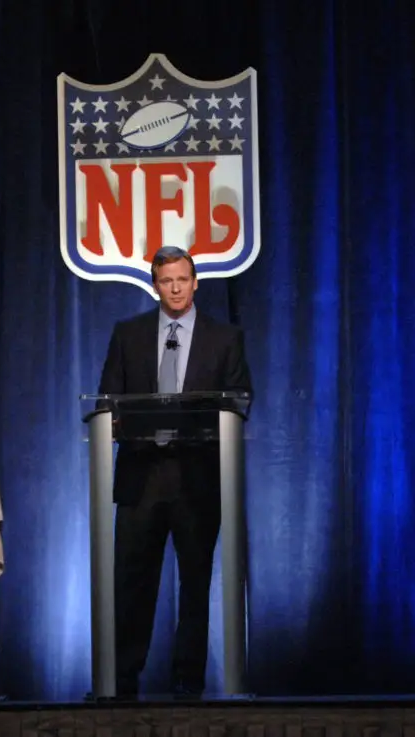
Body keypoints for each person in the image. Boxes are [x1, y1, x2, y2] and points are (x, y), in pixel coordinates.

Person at [97, 246, 253, 698]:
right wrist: (119, 420)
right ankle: (122, 679)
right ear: (155, 286)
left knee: (196, 582)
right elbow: (108, 399)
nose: (176, 288)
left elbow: (240, 398)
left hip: (197, 478)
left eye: (183, 279)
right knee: (132, 582)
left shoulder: (225, 338)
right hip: (141, 477)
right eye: (167, 281)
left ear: (196, 282)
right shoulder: (128, 334)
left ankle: (188, 681)